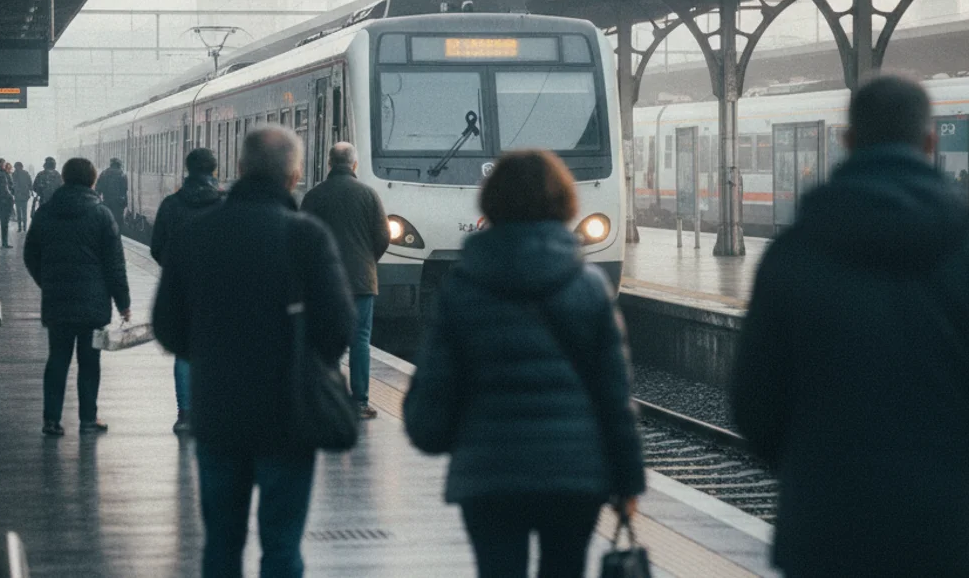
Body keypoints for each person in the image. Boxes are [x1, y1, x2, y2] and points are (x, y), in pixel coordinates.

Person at [731, 75, 969, 578]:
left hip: (825, 523)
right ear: (930, 142)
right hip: (946, 527)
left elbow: (753, 400)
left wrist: (808, 465)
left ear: (847, 142)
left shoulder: (791, 256)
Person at [403, 150, 645, 578]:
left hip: (489, 477)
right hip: (573, 475)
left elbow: (433, 395)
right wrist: (627, 482)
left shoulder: (462, 288)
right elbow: (614, 398)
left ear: (491, 203)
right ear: (564, 204)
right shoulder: (588, 288)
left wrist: (440, 436)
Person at [153, 127, 355, 578]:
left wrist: (210, 355)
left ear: (239, 170)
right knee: (282, 545)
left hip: (218, 412)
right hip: (288, 412)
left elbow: (167, 327)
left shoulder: (195, 235)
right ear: (295, 175)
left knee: (221, 544)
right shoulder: (308, 237)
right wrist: (305, 358)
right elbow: (339, 325)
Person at [25, 157, 131, 436]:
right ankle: (87, 419)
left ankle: (51, 420)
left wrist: (46, 282)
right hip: (93, 306)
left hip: (57, 302)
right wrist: (124, 303)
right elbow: (115, 265)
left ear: (64, 178)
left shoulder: (46, 213)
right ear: (93, 180)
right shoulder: (102, 214)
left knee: (57, 360)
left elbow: (30, 254)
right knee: (90, 362)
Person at [300, 142, 389, 419]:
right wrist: (367, 261)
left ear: (329, 164)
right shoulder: (369, 195)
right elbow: (383, 236)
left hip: (324, 283)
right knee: (360, 340)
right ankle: (360, 402)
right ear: (354, 165)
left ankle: (330, 399)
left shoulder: (314, 197)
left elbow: (302, 239)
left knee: (327, 341)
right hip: (362, 281)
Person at [150, 147, 224, 435]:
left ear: (188, 169)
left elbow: (157, 247)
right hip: (218, 289)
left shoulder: (170, 205)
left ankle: (185, 415)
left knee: (184, 352)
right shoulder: (224, 205)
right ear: (214, 171)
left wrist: (173, 270)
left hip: (182, 288)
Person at [96, 157, 129, 233]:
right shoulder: (122, 174)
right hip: (118, 204)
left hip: (106, 202)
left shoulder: (104, 173)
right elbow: (124, 190)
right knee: (118, 224)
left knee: (106, 222)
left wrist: (99, 201)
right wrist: (125, 204)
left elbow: (98, 189)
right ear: (119, 165)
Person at [12, 161, 33, 232]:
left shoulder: (14, 174)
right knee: (24, 212)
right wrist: (31, 191)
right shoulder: (26, 173)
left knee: (19, 212)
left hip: (18, 196)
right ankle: (24, 227)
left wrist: (12, 193)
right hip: (24, 196)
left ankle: (20, 228)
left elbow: (11, 185)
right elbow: (30, 183)